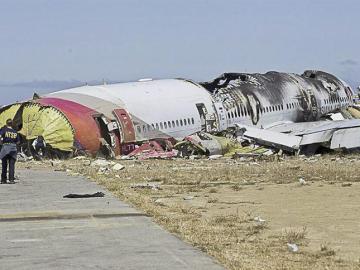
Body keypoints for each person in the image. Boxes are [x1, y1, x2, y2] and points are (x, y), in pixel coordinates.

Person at [0, 119, 20, 184]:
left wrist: (1, 142)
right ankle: (11, 180)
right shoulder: (15, 132)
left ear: (6, 123)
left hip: (5, 147)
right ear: (12, 124)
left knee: (4, 164)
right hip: (13, 148)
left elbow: (0, 136)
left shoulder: (4, 130)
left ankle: (3, 180)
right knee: (12, 165)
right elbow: (18, 141)